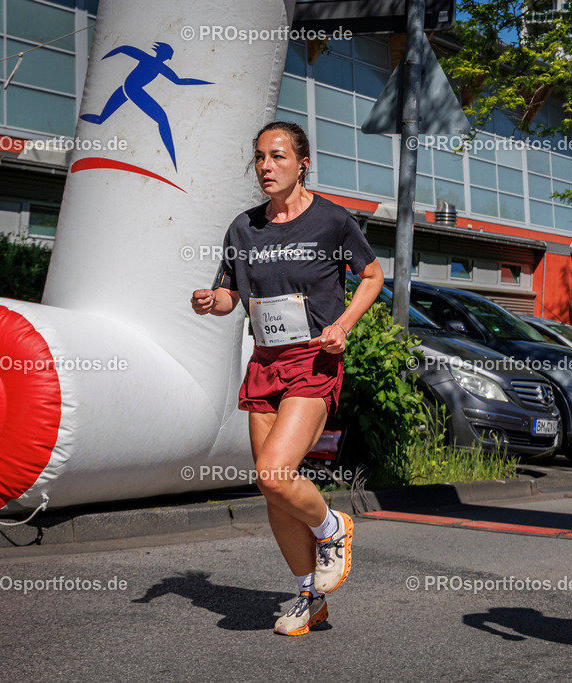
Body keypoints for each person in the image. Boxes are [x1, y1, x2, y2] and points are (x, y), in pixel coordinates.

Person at [191, 121, 383, 636]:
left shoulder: (331, 222)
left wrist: (342, 325)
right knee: (272, 489)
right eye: (258, 158)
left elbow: (372, 275)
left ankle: (332, 527)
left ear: (303, 164)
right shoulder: (243, 228)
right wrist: (214, 302)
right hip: (265, 362)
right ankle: (308, 596)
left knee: (275, 472)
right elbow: (231, 292)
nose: (265, 167)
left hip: (313, 361)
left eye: (277, 157)